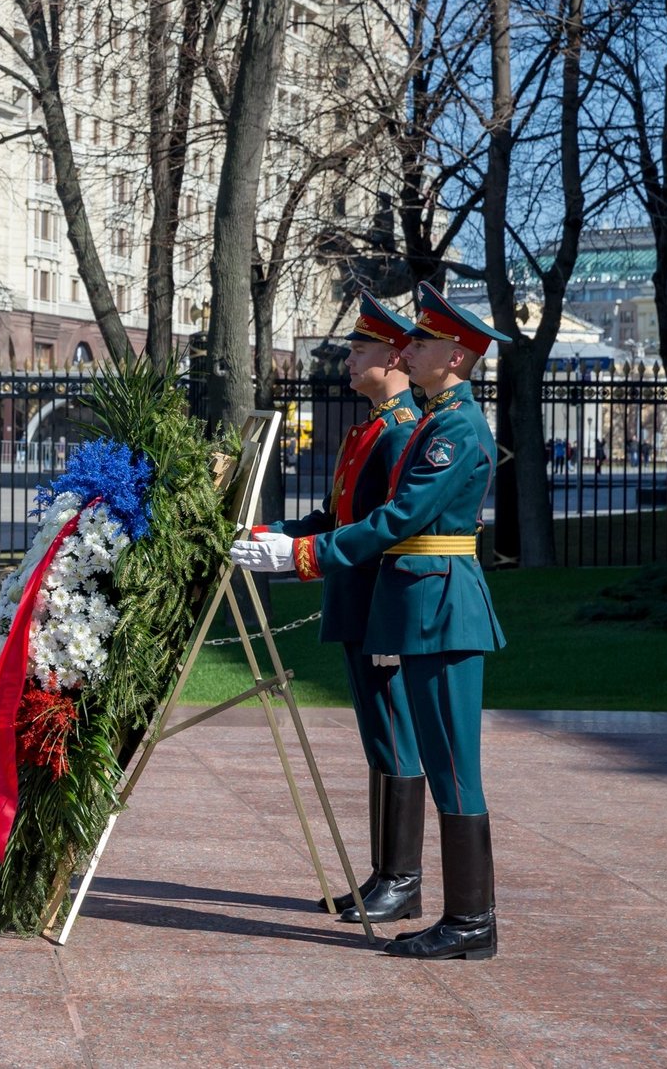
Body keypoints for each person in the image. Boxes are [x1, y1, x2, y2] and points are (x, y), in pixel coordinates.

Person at [233, 281, 508, 961]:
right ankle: (460, 915)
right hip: (422, 604)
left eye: (425, 341)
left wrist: (301, 554)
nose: (410, 349)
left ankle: (472, 922)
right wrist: (290, 541)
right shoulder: (439, 422)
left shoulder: (455, 428)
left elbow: (399, 520)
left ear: (458, 355)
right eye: (409, 340)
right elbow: (367, 518)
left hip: (440, 607)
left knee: (452, 769)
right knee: (443, 765)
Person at [252, 292, 425, 924]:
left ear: (396, 356)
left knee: (394, 738)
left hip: (381, 603)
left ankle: (402, 879)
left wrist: (301, 555)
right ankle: (387, 875)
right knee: (379, 740)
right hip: (357, 601)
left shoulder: (402, 430)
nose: (348, 362)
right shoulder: (371, 429)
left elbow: (383, 527)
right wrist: (281, 536)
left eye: (359, 352)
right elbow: (336, 518)